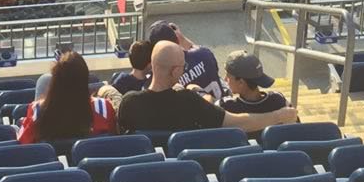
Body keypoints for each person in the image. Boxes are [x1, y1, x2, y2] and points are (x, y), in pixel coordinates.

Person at [117, 41, 296, 135]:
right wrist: (277, 116)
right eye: (182, 66)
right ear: (175, 70)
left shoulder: (129, 103)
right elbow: (238, 123)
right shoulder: (189, 101)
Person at [18, 52, 118, 143]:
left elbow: (23, 143)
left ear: (55, 81)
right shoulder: (103, 108)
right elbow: (112, 141)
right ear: (85, 79)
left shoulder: (37, 110)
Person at [146, 20, 222, 99]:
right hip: (223, 105)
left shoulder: (164, 78)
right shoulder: (205, 53)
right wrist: (182, 39)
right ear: (178, 39)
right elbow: (196, 50)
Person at [221, 52, 288, 115]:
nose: (225, 79)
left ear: (241, 82)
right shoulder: (278, 100)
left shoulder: (226, 106)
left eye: (228, 76)